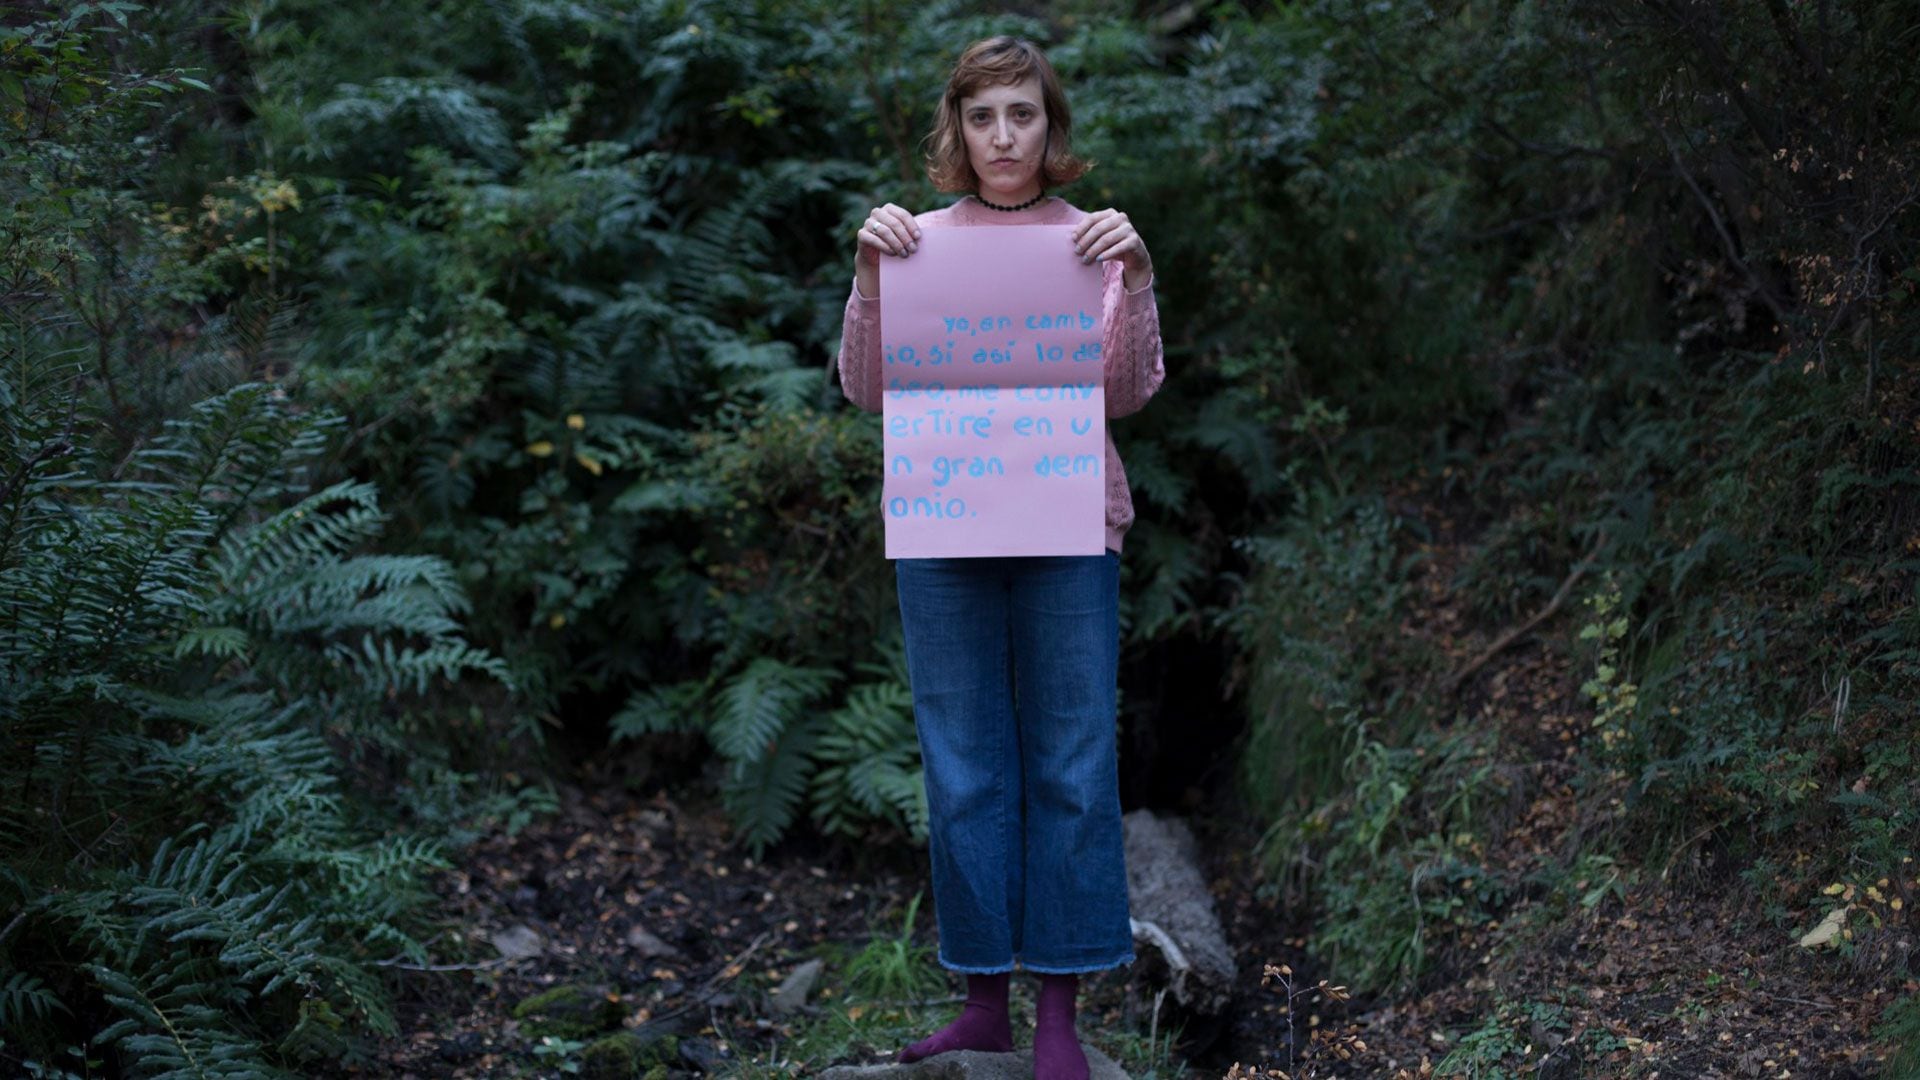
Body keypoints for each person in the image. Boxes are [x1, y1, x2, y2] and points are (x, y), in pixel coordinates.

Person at [835, 34, 1165, 1080]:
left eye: (1022, 113)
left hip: (1070, 529)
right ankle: (984, 1005)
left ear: (1049, 125)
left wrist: (1136, 279)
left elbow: (1128, 393)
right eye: (982, 116)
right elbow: (866, 388)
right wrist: (869, 276)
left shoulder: (1092, 241)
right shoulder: (915, 242)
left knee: (1072, 764)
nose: (1004, 135)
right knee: (962, 765)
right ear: (959, 129)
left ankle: (1058, 1018)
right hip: (945, 531)